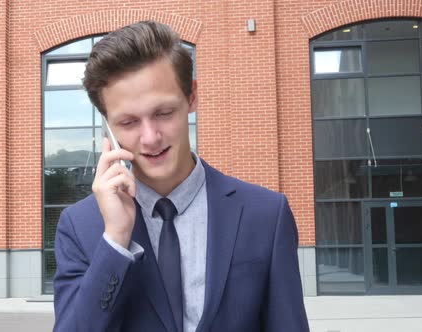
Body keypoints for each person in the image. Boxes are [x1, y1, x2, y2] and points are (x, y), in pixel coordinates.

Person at [53, 20, 309, 332]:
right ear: (108, 125)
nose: (150, 137)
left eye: (163, 113)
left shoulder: (267, 215)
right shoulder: (80, 227)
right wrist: (116, 241)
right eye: (129, 122)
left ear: (192, 97)